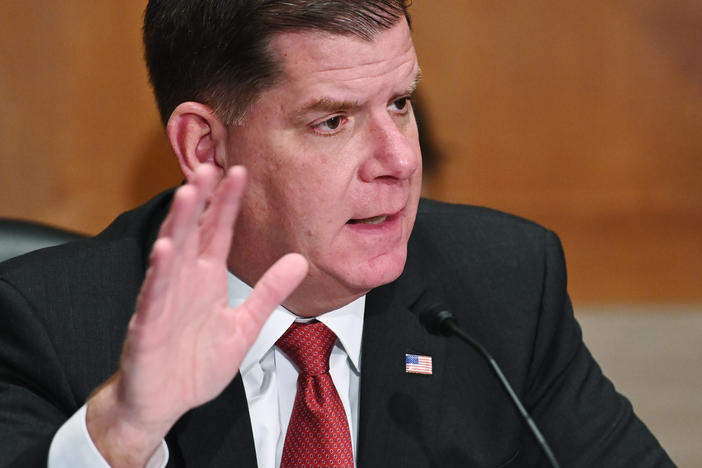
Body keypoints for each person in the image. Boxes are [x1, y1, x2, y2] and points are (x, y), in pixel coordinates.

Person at [0, 1, 673, 467]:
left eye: (400, 103)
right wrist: (123, 431)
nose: (400, 162)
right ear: (205, 148)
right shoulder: (48, 326)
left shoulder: (502, 285)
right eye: (332, 122)